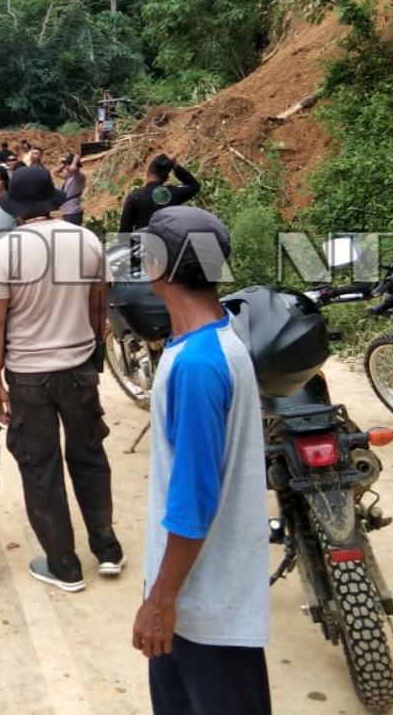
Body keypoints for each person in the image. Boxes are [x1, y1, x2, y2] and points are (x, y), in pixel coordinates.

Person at [130, 206, 270, 715]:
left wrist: (161, 599)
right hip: (195, 595)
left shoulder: (195, 366)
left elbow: (193, 502)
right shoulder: (218, 336)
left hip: (205, 609)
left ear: (158, 269)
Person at [0, 166, 124, 592]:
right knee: (90, 456)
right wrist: (94, 353)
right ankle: (108, 548)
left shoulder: (4, 251)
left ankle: (64, 565)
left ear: (16, 208)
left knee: (40, 467)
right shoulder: (87, 239)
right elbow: (100, 305)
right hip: (79, 368)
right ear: (52, 201)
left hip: (29, 375)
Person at [119, 154, 202, 234]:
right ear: (166, 178)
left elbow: (124, 231)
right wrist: (175, 165)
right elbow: (194, 186)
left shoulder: (134, 197)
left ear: (147, 173)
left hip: (143, 245)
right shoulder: (173, 194)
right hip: (170, 245)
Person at [57, 154, 86, 226]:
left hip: (73, 212)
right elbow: (55, 172)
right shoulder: (70, 176)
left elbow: (73, 169)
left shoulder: (79, 176)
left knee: (73, 234)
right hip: (69, 212)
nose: (66, 167)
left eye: (67, 165)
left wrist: (75, 159)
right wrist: (64, 163)